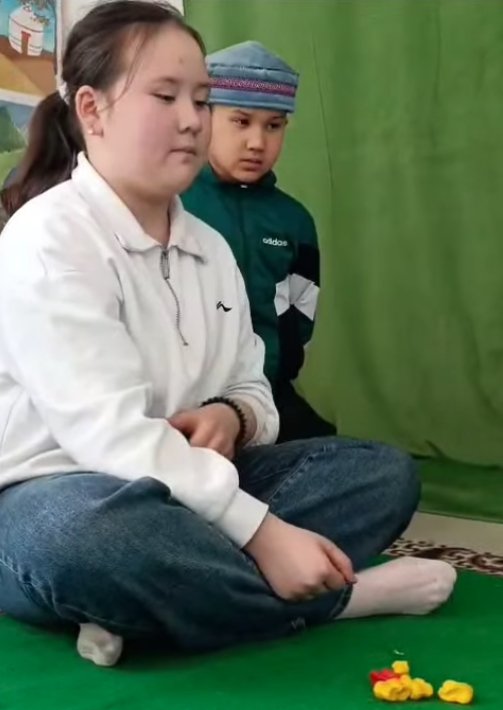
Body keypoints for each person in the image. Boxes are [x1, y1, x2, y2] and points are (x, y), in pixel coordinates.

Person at [0, 1, 456, 669]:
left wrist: (232, 415)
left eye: (201, 98)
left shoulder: (209, 249)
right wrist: (262, 531)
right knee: (90, 541)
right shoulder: (48, 238)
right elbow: (107, 435)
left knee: (382, 475)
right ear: (93, 110)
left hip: (196, 490)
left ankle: (156, 602)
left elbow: (252, 382)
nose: (193, 119)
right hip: (58, 493)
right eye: (165, 96)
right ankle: (334, 599)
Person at [182, 41, 335, 442]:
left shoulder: (294, 221)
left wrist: (277, 371)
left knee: (356, 461)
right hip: (184, 397)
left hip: (267, 395)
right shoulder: (171, 204)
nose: (257, 142)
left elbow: (300, 311)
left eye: (273, 126)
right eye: (241, 121)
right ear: (204, 117)